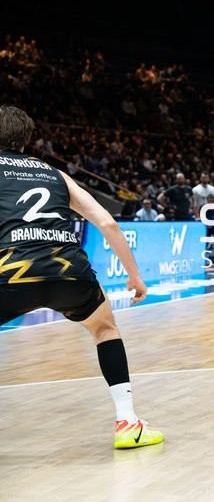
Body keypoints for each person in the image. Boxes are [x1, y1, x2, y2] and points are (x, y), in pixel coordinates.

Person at [0, 105, 163, 449]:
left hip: (11, 271)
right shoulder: (55, 174)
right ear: (26, 139)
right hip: (68, 270)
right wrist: (135, 277)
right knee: (105, 329)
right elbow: (107, 222)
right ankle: (128, 423)